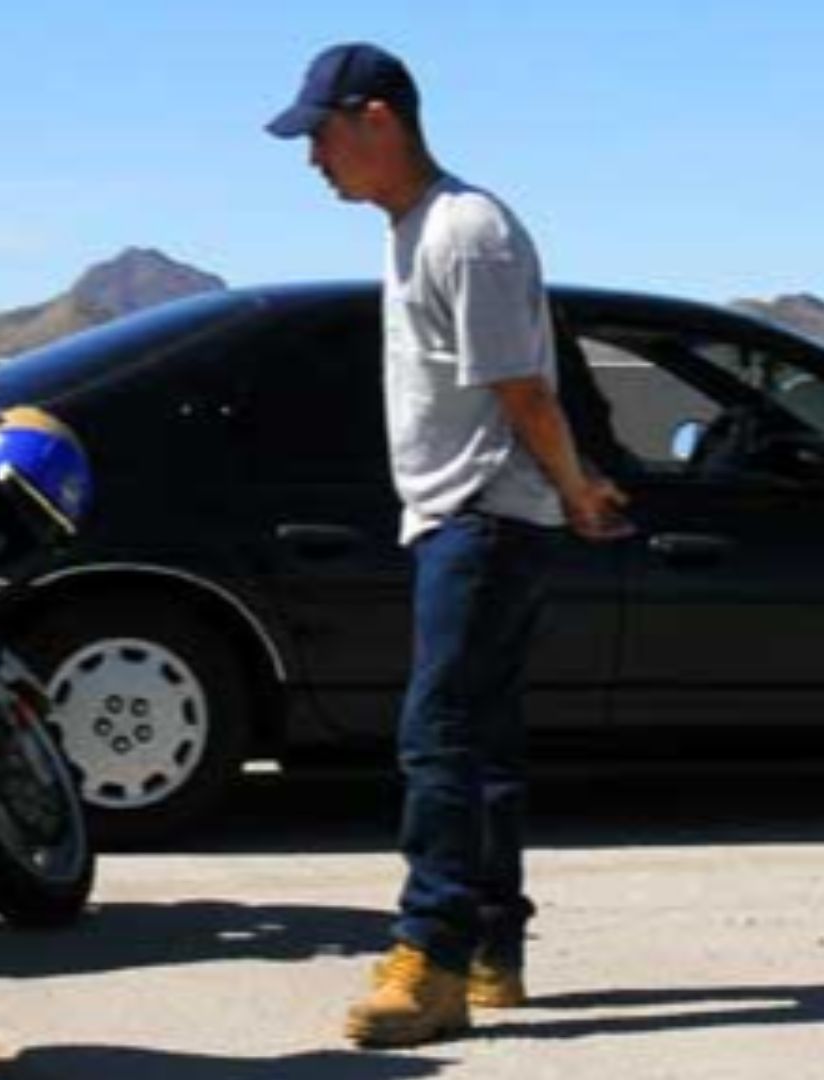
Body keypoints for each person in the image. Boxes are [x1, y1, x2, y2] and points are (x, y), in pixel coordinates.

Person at [265, 42, 630, 1048]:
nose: (313, 160)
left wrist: (574, 491)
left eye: (322, 135)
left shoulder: (466, 232)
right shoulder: (416, 229)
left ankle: (429, 959)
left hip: (484, 516)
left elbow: (522, 388)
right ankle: (490, 951)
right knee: (483, 742)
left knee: (438, 738)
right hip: (463, 517)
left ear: (377, 119)